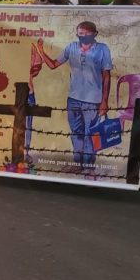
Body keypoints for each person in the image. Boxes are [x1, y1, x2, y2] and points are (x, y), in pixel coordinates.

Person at [36, 21, 113, 171]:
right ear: (77, 33)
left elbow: (106, 76)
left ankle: (89, 166)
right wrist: (41, 50)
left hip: (93, 100)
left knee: (89, 135)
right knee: (76, 133)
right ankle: (78, 164)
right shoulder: (71, 47)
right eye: (80, 33)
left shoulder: (102, 49)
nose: (83, 36)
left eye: (87, 34)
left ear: (95, 34)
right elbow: (53, 65)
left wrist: (104, 101)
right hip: (73, 99)